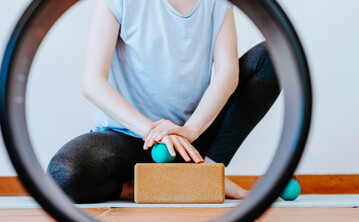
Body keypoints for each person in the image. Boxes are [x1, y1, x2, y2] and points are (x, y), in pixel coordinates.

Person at [46, 0, 280, 203]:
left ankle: (206, 175)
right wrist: (152, 131)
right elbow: (93, 83)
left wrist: (189, 131)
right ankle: (135, 188)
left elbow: (227, 74)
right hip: (127, 136)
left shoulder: (217, 3)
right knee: (63, 175)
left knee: (277, 56)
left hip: (191, 139)